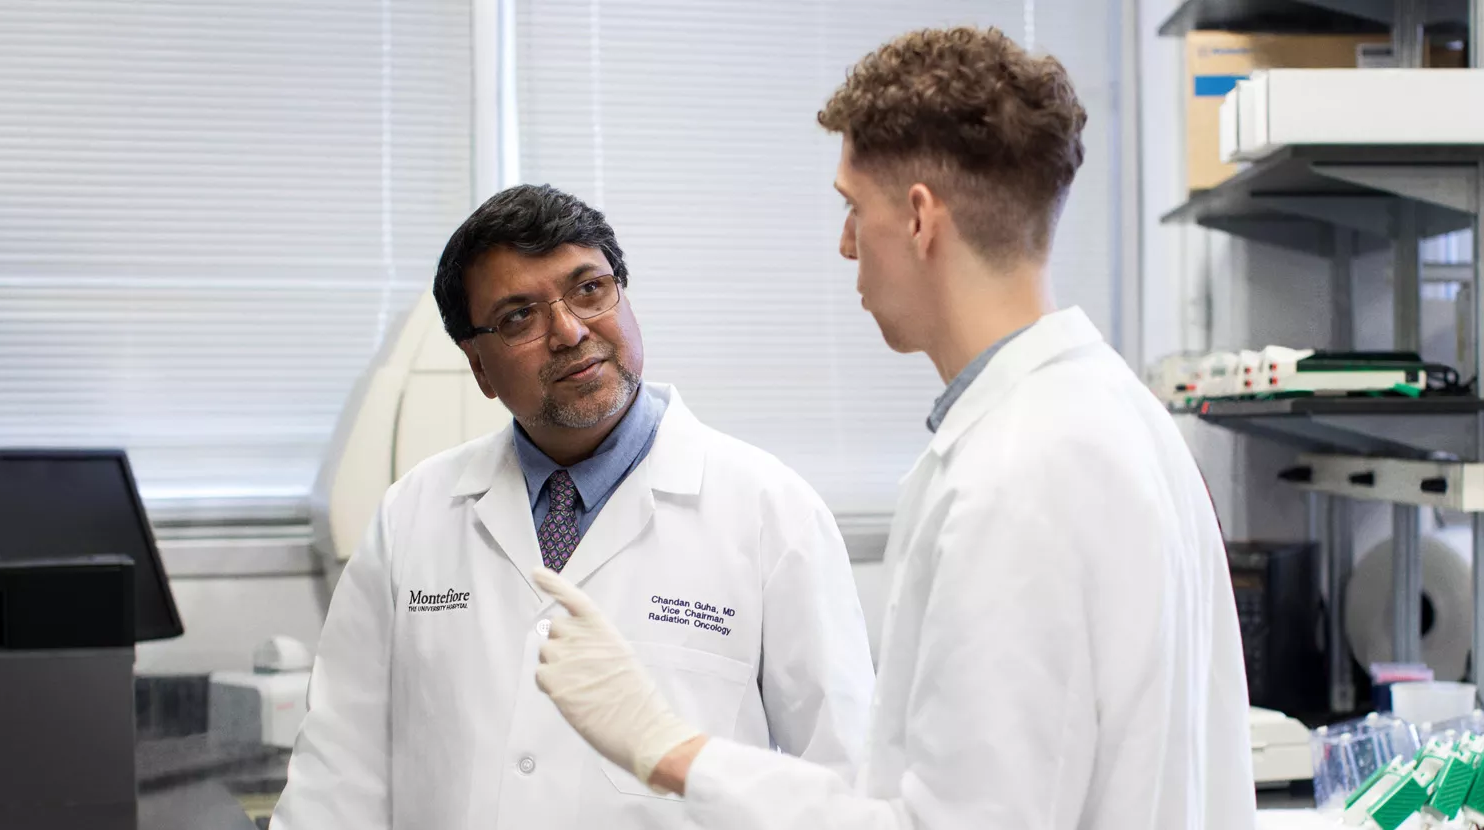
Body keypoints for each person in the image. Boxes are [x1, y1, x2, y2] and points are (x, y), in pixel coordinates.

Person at [530, 26, 1257, 830]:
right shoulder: (1119, 415)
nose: (845, 246)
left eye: (852, 208)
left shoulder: (1014, 476)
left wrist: (668, 749)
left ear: (919, 219)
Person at [270, 184, 875, 829]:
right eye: (517, 318)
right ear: (477, 365)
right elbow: (336, 781)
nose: (569, 330)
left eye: (589, 289)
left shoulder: (770, 513)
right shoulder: (412, 516)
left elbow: (846, 781)